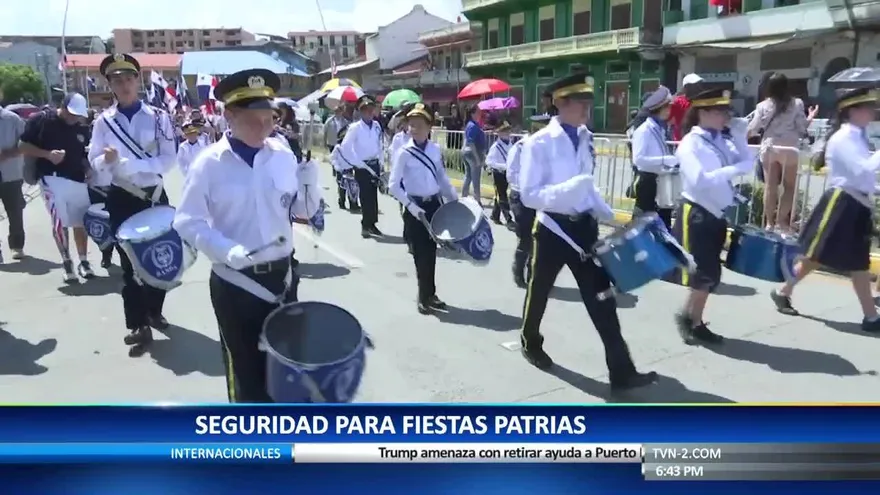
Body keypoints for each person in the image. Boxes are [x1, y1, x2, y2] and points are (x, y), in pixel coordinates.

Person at [517, 73, 657, 391]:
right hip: (553, 229)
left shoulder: (584, 136)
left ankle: (621, 371)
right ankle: (530, 341)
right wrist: (570, 189)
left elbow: (587, 187)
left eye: (588, 102)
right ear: (560, 103)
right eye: (580, 102)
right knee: (539, 292)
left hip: (583, 229)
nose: (586, 108)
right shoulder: (538, 142)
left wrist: (608, 213)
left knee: (602, 299)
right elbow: (529, 194)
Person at [173, 69, 301, 403]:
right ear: (229, 115)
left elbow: (294, 210)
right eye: (252, 118)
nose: (263, 126)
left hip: (283, 278)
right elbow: (186, 221)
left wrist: (312, 195)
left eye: (268, 117)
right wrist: (226, 249)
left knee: (285, 372)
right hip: (236, 284)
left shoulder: (284, 156)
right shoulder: (208, 163)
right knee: (246, 378)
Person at [770, 88, 880, 332]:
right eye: (867, 107)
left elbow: (863, 177)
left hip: (856, 203)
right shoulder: (844, 138)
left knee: (846, 260)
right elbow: (860, 171)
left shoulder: (859, 136)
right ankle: (871, 317)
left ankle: (784, 291)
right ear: (852, 111)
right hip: (842, 203)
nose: (872, 111)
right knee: (820, 256)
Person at [88, 53, 176, 353]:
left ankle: (154, 309)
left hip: (152, 196)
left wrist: (129, 163)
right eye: (117, 80)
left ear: (137, 80)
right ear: (110, 84)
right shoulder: (104, 122)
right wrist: (106, 160)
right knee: (130, 264)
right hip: (121, 198)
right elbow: (94, 160)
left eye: (128, 79)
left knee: (160, 258)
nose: (124, 85)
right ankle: (137, 323)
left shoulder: (159, 117)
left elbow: (169, 160)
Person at [672, 89, 755, 344]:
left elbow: (748, 162)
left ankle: (693, 319)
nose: (724, 116)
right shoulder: (691, 143)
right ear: (703, 113)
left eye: (726, 111)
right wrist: (731, 170)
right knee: (702, 272)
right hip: (696, 212)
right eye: (719, 111)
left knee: (710, 274)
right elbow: (699, 180)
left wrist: (740, 136)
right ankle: (689, 319)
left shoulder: (720, 139)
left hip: (716, 214)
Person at [388, 103, 458, 314]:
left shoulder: (435, 149)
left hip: (434, 204)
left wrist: (454, 199)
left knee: (432, 251)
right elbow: (392, 185)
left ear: (429, 128)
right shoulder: (404, 153)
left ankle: (431, 294)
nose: (414, 129)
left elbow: (441, 178)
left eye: (419, 125)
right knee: (420, 254)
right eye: (411, 125)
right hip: (415, 206)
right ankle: (423, 296)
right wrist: (409, 206)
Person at [19, 93, 93, 281]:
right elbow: (22, 145)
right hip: (51, 179)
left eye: (77, 115)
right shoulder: (41, 121)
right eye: (71, 113)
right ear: (63, 106)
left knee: (80, 222)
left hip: (77, 179)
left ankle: (83, 261)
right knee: (59, 222)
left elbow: (82, 155)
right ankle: (67, 261)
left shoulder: (82, 128)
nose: (74, 118)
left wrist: (88, 168)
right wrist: (47, 154)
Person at [747, 73, 819, 234]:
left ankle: (769, 224)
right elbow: (802, 128)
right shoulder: (797, 104)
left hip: (769, 148)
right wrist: (811, 116)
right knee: (789, 187)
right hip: (789, 149)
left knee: (770, 187)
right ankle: (781, 222)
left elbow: (752, 129)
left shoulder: (762, 106)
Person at [508, 114, 551, 288]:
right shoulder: (520, 147)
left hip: (540, 198)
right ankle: (518, 270)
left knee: (540, 238)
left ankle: (534, 273)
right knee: (526, 237)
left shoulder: (545, 147)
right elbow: (511, 174)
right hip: (521, 197)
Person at [630, 86, 678, 229]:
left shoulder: (660, 128)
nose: (670, 110)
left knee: (663, 226)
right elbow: (638, 160)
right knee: (643, 227)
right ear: (660, 108)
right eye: (667, 107)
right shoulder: (644, 130)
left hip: (661, 182)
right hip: (648, 183)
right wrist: (665, 160)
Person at [340, 94, 384, 238]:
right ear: (360, 111)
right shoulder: (355, 128)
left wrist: (381, 163)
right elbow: (346, 147)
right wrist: (357, 162)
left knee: (373, 195)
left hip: (375, 164)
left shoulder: (376, 126)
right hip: (362, 165)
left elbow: (380, 145)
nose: (369, 112)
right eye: (365, 110)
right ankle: (365, 225)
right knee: (365, 196)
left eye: (371, 109)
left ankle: (372, 224)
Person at [85, 108, 114, 269]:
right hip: (97, 188)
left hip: (117, 187)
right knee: (102, 224)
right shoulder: (90, 147)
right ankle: (106, 254)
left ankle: (125, 258)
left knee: (118, 224)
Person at [0, 101, 26, 263]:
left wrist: (7, 154)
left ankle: (17, 246)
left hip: (10, 174)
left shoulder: (13, 120)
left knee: (15, 211)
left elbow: (26, 145)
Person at [485, 120, 514, 226]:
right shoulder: (495, 147)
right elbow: (489, 161)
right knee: (502, 196)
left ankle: (495, 215)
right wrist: (502, 166)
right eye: (505, 131)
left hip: (506, 173)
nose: (507, 133)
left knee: (500, 195)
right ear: (499, 133)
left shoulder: (510, 143)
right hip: (498, 174)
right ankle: (508, 219)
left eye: (508, 131)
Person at [460, 105, 487, 205]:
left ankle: (464, 197)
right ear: (472, 114)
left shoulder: (472, 124)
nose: (480, 114)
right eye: (478, 112)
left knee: (468, 176)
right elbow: (471, 142)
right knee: (475, 178)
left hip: (468, 153)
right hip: (473, 153)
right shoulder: (473, 125)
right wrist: (477, 158)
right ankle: (477, 200)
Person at [669, 73, 703, 142]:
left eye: (699, 84)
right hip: (681, 142)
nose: (698, 87)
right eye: (694, 85)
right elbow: (668, 120)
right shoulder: (677, 102)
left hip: (700, 141)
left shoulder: (702, 101)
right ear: (686, 88)